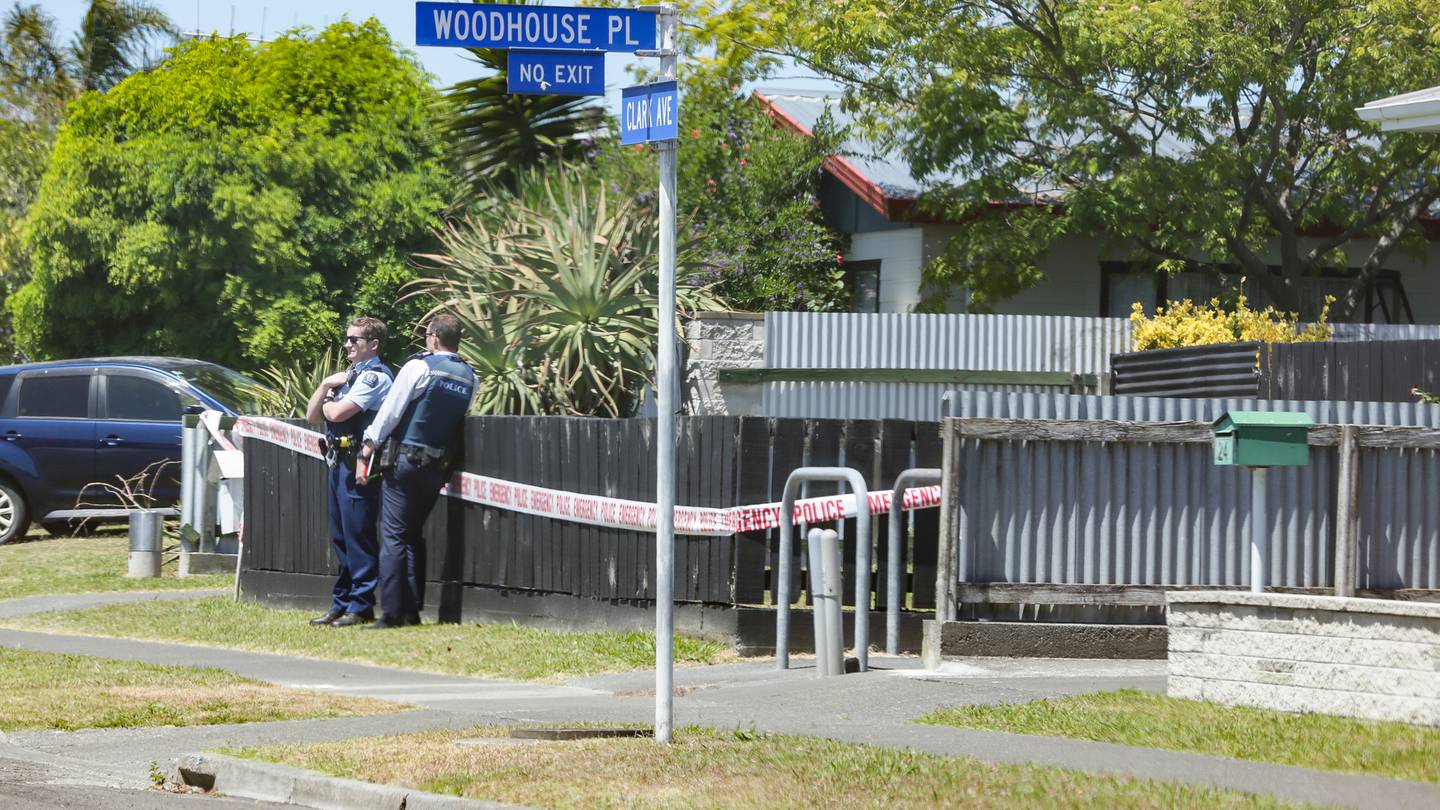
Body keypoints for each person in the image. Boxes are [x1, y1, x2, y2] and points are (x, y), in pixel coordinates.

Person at [357, 313, 475, 629]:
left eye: (426, 334)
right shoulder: (470, 377)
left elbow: (390, 412)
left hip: (405, 460)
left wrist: (367, 446)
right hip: (437, 467)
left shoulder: (418, 367)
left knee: (394, 536)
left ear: (434, 337)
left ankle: (393, 612)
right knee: (412, 535)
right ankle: (411, 609)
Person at [305, 316, 393, 628]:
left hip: (359, 463)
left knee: (359, 536)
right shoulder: (349, 377)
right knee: (341, 537)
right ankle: (340, 604)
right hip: (337, 461)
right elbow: (312, 415)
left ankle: (362, 606)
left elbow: (337, 412)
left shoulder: (374, 378)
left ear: (373, 344)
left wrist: (330, 392)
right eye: (347, 339)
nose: (348, 345)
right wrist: (325, 385)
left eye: (354, 340)